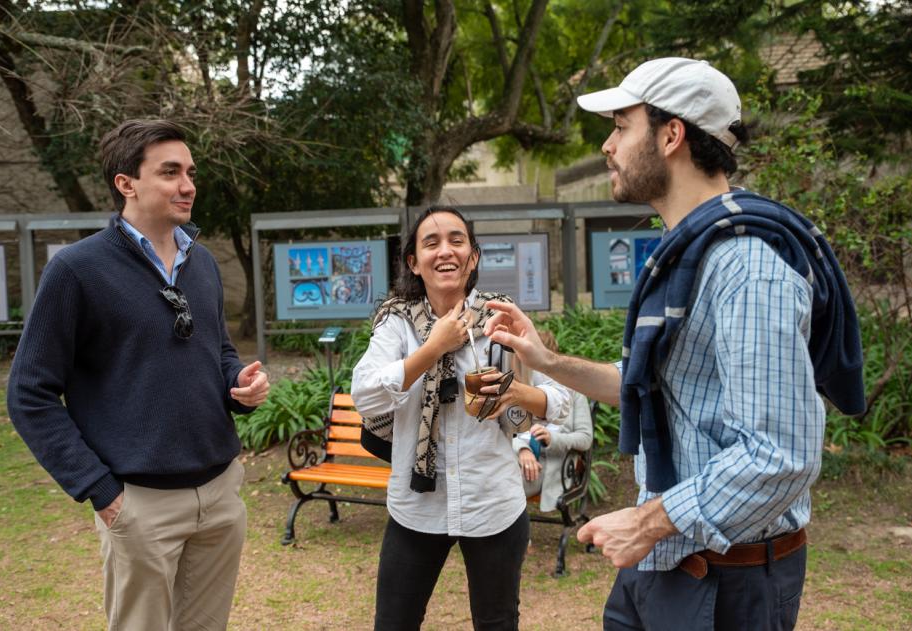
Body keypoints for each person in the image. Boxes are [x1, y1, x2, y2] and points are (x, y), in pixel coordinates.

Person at [483, 57, 864, 630]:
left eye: (620, 126)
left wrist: (646, 521)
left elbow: (780, 455)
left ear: (670, 134)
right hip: (664, 561)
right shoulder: (689, 254)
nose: (608, 146)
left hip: (725, 579)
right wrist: (547, 361)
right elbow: (654, 383)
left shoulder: (746, 270)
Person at [6, 119, 270, 631]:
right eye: (170, 172)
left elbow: (216, 350)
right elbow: (28, 394)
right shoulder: (77, 271)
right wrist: (100, 491)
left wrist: (238, 383)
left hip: (219, 495)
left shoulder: (203, 263)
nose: (188, 185)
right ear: (126, 183)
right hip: (138, 504)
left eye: (190, 172)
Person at [351, 206, 570, 630]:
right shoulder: (397, 325)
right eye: (430, 243)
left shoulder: (502, 318)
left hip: (492, 503)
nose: (445, 250)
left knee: (497, 623)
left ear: (473, 257)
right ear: (413, 262)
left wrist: (516, 394)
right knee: (394, 623)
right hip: (416, 508)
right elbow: (365, 395)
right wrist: (433, 348)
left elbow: (560, 398)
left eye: (457, 240)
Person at [513, 330, 593, 513]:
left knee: (503, 485)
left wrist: (552, 439)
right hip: (515, 459)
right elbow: (503, 430)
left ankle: (517, 539)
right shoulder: (520, 388)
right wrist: (522, 449)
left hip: (551, 467)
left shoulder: (573, 390)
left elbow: (585, 438)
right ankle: (518, 540)